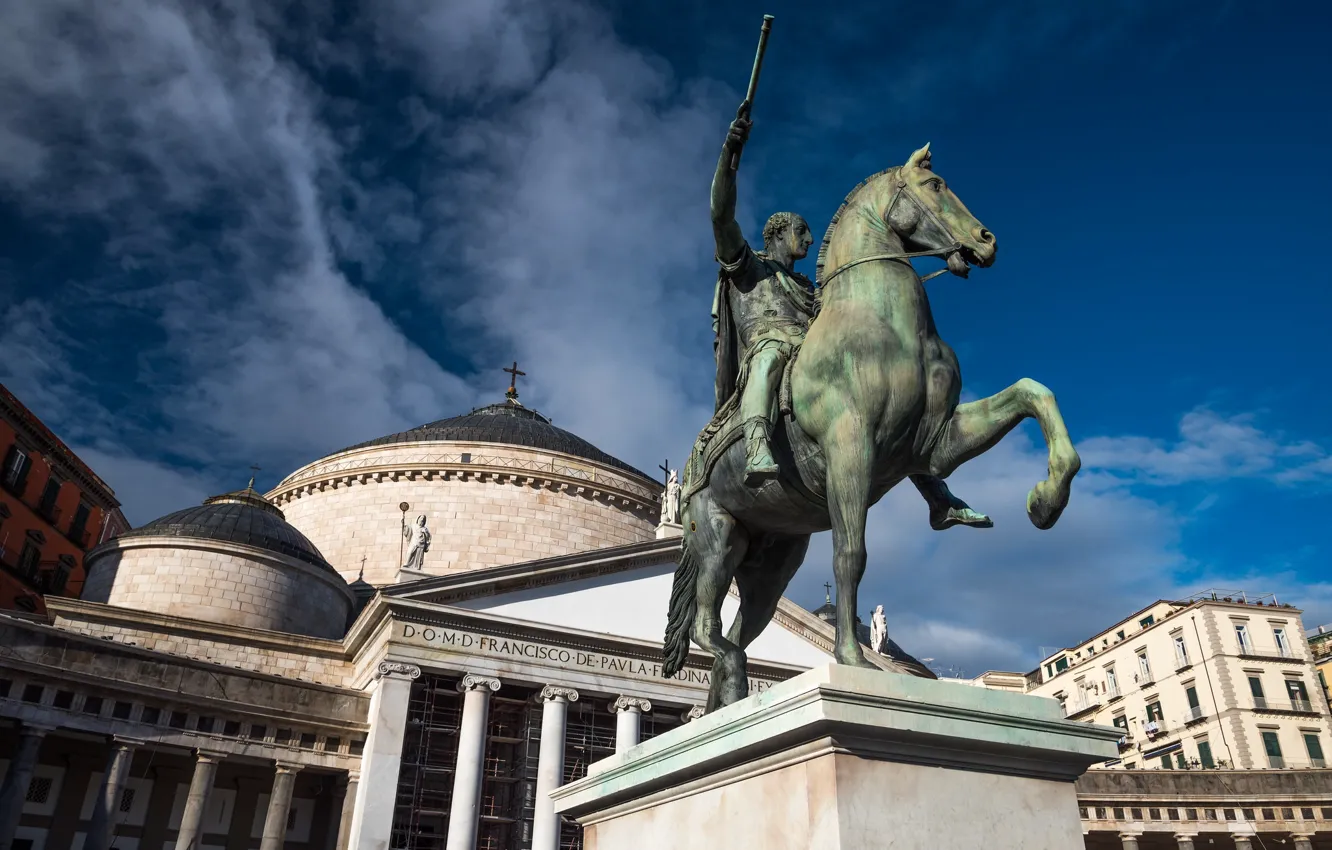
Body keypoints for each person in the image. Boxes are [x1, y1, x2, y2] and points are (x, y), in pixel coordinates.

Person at [709, 105, 992, 529]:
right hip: (773, 346)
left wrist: (946, 250)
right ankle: (757, 445)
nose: (808, 237)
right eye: (801, 231)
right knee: (768, 356)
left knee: (884, 394)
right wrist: (730, 157)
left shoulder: (809, 288)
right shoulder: (750, 265)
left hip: (810, 356)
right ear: (779, 234)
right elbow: (721, 215)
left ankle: (938, 496)